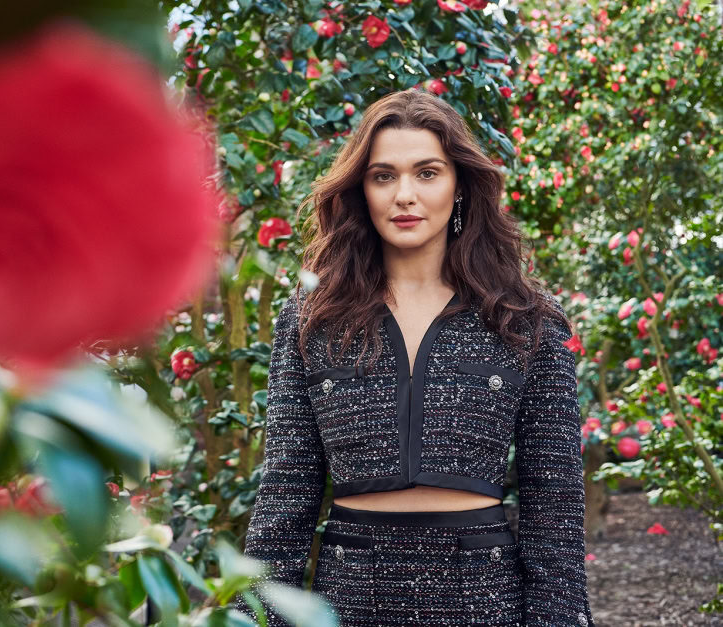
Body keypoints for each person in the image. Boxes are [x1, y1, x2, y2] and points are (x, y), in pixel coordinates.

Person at [233, 88, 594, 626]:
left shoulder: (527, 317)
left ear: (459, 185)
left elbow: (554, 501)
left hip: (484, 599)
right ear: (362, 189)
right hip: (348, 598)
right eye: (383, 175)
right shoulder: (313, 316)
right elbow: (286, 494)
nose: (404, 194)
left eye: (427, 172)